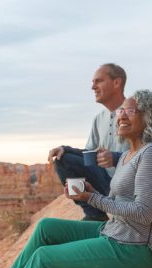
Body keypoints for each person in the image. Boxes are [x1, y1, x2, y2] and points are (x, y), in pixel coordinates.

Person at [0, 89, 152, 268]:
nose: (122, 116)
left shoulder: (148, 155)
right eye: (122, 111)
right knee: (46, 227)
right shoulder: (127, 155)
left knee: (44, 258)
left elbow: (144, 212)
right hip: (114, 231)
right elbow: (119, 202)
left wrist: (93, 199)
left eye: (130, 111)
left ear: (147, 116)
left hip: (132, 248)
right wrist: (91, 193)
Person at [48, 63, 129, 221]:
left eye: (98, 81)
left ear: (116, 83)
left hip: (131, 187)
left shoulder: (138, 114)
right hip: (106, 184)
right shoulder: (99, 119)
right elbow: (89, 156)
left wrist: (116, 157)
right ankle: (95, 216)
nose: (93, 87)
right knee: (63, 160)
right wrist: (66, 149)